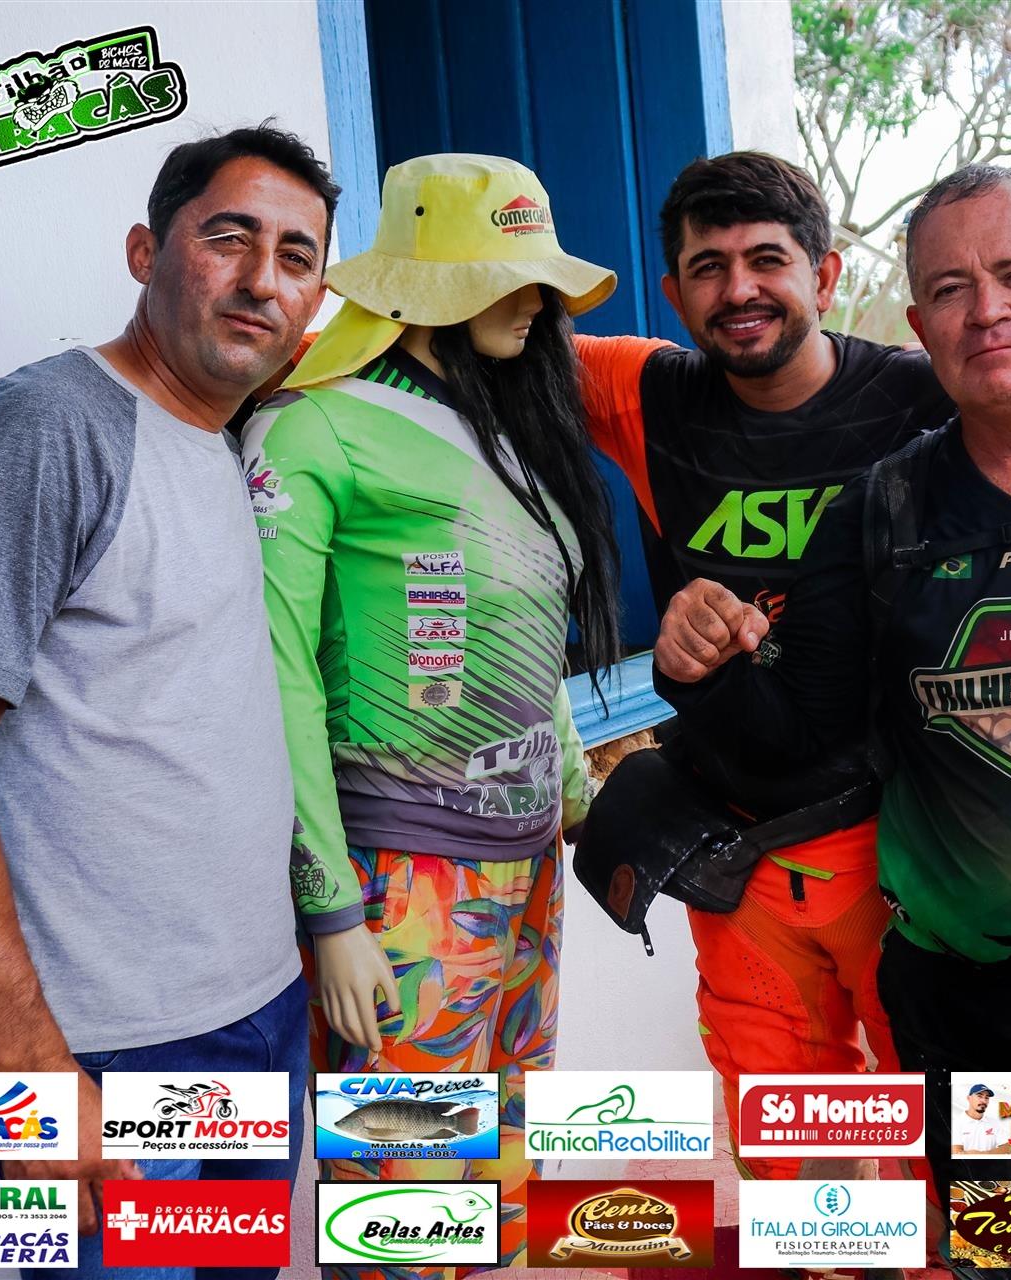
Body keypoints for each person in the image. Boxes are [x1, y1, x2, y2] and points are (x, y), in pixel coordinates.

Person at [574, 151, 1011, 1188]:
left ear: (825, 275)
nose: (740, 289)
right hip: (771, 866)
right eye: (708, 268)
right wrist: (692, 664)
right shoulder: (657, 395)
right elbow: (493, 342)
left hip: (945, 874)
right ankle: (855, 1252)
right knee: (824, 1173)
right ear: (673, 294)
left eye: (768, 260)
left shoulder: (934, 392)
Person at [0, 124, 338, 1280]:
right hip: (105, 1055)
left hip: (256, 1011)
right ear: (144, 251)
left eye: (296, 257)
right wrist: (25, 1062)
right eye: (227, 239)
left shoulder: (222, 441)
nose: (261, 278)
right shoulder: (48, 427)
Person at [250, 153, 614, 1277]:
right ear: (423, 284)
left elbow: (535, 646)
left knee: (504, 1184)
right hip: (399, 883)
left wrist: (580, 803)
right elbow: (276, 674)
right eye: (507, 273)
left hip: (529, 872)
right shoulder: (313, 429)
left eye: (542, 276)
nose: (535, 300)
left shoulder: (511, 433)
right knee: (402, 1219)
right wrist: (331, 910)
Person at [951, 1085, 1007, 1155]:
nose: (984, 1101)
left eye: (987, 1098)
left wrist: (985, 1154)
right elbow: (956, 1152)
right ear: (969, 1098)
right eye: (979, 1096)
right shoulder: (956, 1123)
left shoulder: (994, 1123)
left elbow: (1007, 1148)